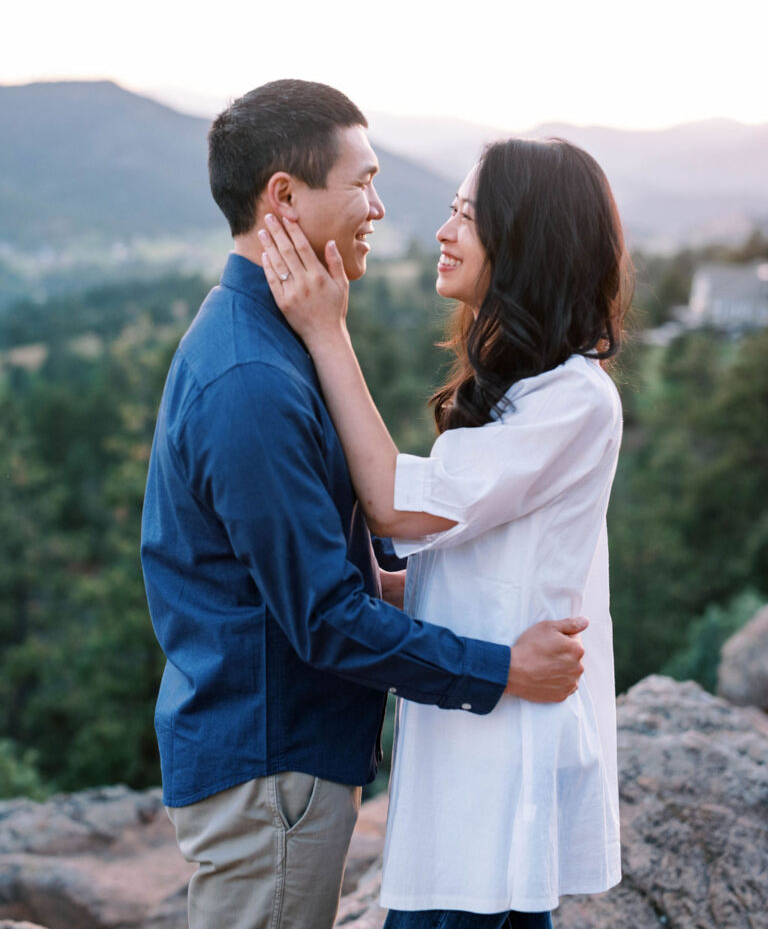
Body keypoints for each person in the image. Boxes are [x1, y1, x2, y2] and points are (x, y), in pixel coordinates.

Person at [140, 80, 590, 929]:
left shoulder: (276, 344)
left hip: (284, 762)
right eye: (364, 182)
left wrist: (391, 587)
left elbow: (310, 569)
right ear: (284, 196)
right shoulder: (252, 379)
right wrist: (502, 672)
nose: (381, 208)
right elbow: (323, 619)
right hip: (269, 771)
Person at [259, 134, 633, 929]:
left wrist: (328, 332)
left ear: (527, 243)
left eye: (467, 213)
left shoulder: (574, 399)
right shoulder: (529, 390)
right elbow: (487, 548)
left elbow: (397, 505)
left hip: (496, 769)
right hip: (469, 744)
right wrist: (401, 585)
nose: (443, 229)